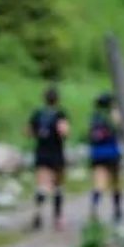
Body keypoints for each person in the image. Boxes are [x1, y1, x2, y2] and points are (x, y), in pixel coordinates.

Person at [27, 86, 71, 232]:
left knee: (42, 186)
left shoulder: (37, 114)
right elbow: (64, 132)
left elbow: (28, 131)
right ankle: (58, 219)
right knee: (58, 186)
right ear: (57, 99)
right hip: (56, 154)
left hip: (41, 152)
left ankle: (37, 211)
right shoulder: (60, 114)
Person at [87, 93, 124, 228]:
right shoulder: (112, 115)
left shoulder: (95, 117)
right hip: (112, 152)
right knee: (115, 183)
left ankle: (95, 207)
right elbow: (121, 127)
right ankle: (117, 211)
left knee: (99, 183)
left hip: (97, 154)